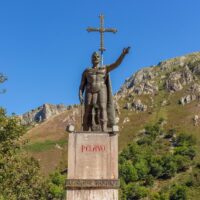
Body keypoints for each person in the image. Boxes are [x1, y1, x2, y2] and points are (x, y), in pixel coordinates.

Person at [79, 47, 130, 131]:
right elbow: (82, 85)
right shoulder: (87, 71)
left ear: (99, 59)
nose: (96, 58)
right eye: (94, 57)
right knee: (87, 110)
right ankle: (85, 130)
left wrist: (123, 54)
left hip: (101, 89)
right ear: (91, 59)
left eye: (97, 57)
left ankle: (104, 129)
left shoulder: (105, 68)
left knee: (103, 108)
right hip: (89, 90)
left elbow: (116, 64)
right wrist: (80, 94)